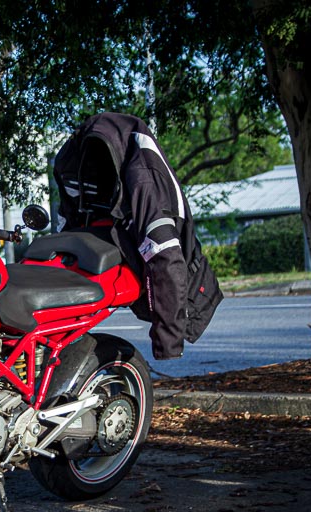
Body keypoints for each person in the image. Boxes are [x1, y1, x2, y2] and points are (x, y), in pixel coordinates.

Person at [52, 112, 223, 360]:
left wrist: (167, 343)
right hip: (109, 248)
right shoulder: (79, 159)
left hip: (171, 279)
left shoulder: (142, 180)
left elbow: (165, 255)